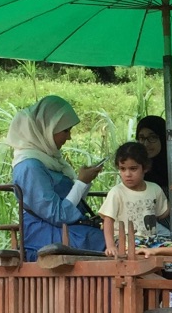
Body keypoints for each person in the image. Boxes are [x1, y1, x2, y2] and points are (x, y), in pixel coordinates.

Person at [7, 96, 105, 260]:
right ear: (46, 129)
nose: (69, 137)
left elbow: (69, 205)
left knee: (115, 236)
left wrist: (85, 182)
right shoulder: (30, 167)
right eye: (65, 131)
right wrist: (80, 183)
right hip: (45, 235)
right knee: (111, 242)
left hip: (66, 229)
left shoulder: (48, 160)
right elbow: (58, 214)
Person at [98, 142, 172, 255]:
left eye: (133, 169)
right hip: (127, 240)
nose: (127, 174)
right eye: (123, 169)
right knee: (140, 256)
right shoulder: (117, 192)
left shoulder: (154, 189)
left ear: (145, 168)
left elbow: (162, 213)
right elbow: (108, 220)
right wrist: (111, 246)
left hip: (151, 239)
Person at [135, 115, 172, 229]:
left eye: (152, 137)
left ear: (163, 138)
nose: (146, 144)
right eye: (141, 138)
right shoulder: (134, 169)